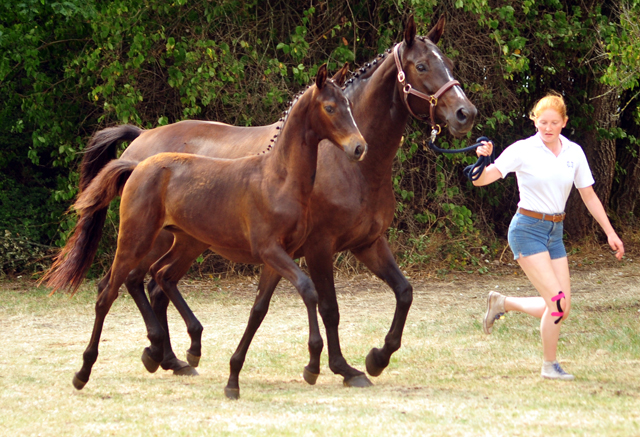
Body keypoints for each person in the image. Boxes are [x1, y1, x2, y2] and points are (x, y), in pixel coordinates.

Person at [472, 92, 625, 380]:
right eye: (542, 122)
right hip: (527, 230)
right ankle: (549, 366)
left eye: (554, 122)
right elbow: (481, 180)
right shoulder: (522, 149)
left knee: (562, 308)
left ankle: (503, 303)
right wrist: (481, 159)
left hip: (555, 233)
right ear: (535, 122)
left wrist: (610, 232)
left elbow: (589, 195)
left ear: (564, 122)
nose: (548, 128)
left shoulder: (574, 152)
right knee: (556, 303)